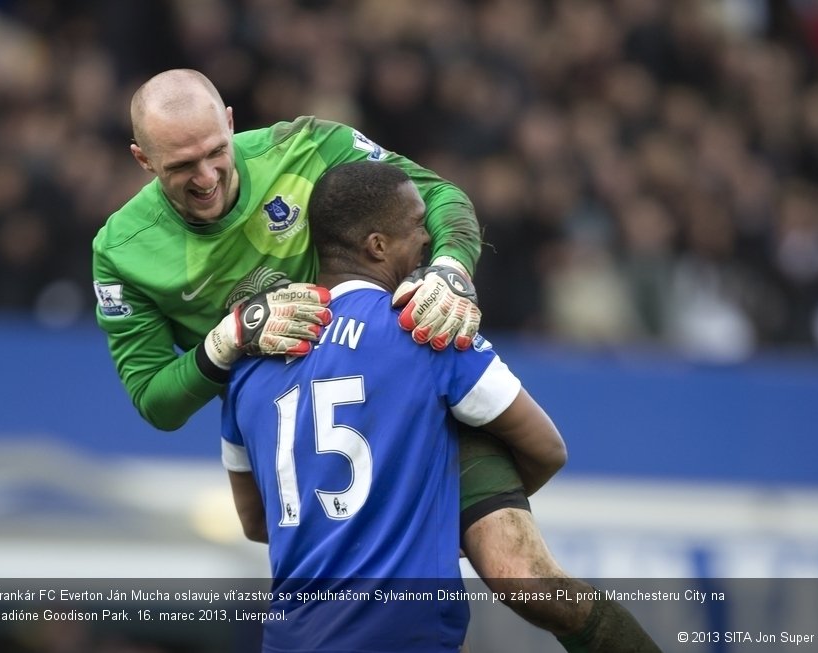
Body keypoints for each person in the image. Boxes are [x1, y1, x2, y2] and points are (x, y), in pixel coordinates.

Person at [92, 69, 661, 652]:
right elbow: (152, 398)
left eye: (216, 152)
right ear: (142, 159)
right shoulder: (120, 253)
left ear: (231, 124)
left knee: (523, 577)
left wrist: (450, 269)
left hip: (406, 387)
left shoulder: (307, 147)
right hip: (294, 424)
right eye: (181, 167)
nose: (207, 176)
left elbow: (435, 198)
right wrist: (226, 340)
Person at [223, 160, 569, 651]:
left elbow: (256, 522)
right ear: (377, 245)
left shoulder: (247, 365)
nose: (429, 238)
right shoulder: (425, 328)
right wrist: (447, 517)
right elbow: (548, 448)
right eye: (417, 226)